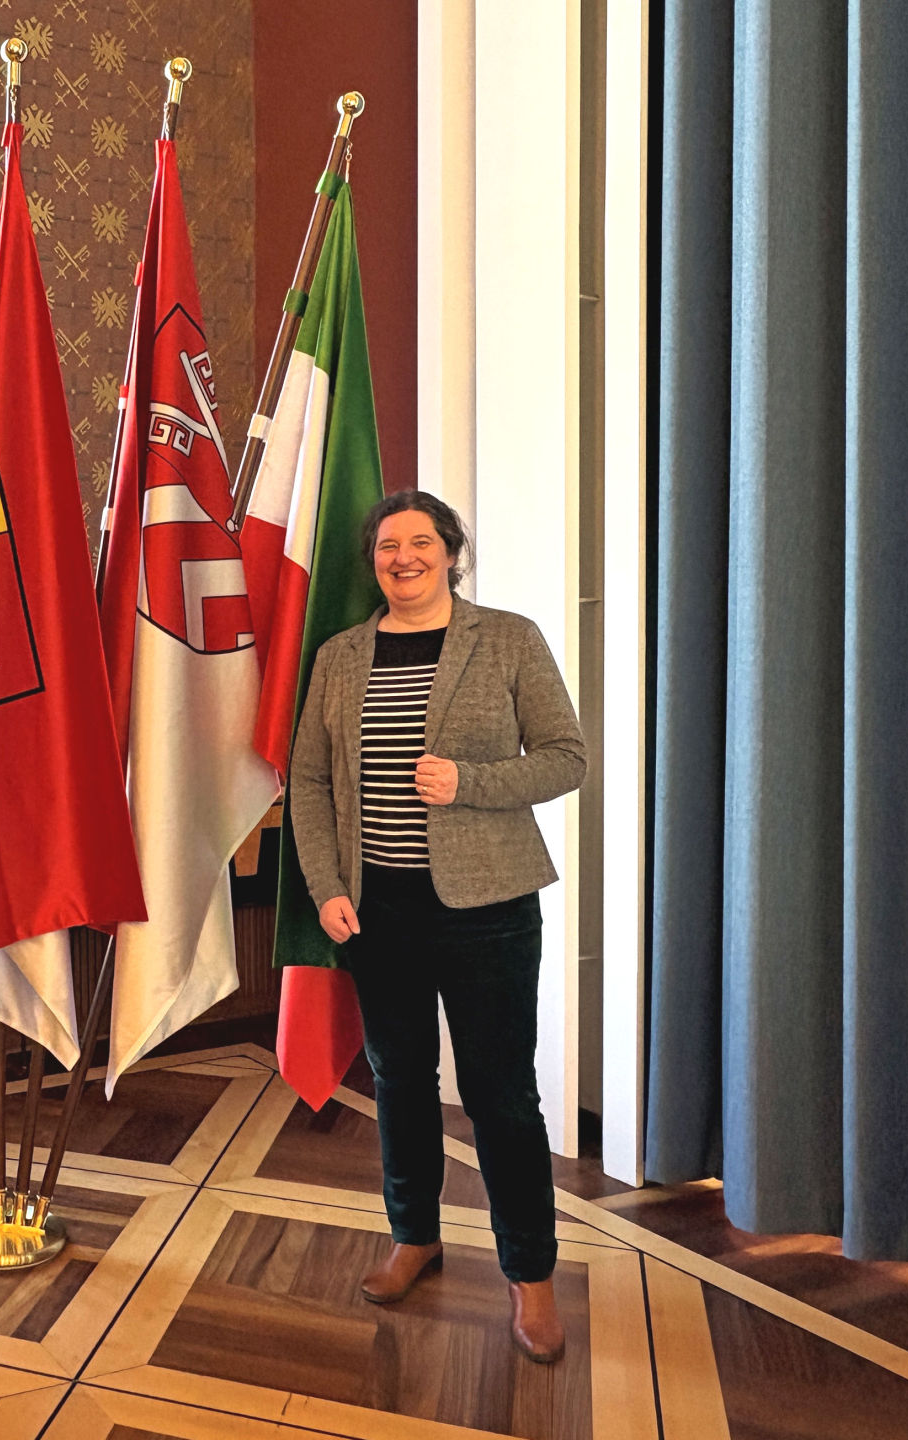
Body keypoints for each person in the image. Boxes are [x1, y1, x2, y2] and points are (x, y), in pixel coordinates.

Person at [287, 489, 587, 1363]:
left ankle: (530, 1278)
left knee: (500, 1095)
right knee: (400, 1081)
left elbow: (567, 757)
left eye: (423, 542)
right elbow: (310, 781)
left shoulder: (509, 639)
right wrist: (327, 885)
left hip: (488, 911)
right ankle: (413, 1236)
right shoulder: (342, 657)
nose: (405, 557)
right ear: (373, 560)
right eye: (389, 545)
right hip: (376, 912)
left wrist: (470, 781)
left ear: (452, 552)